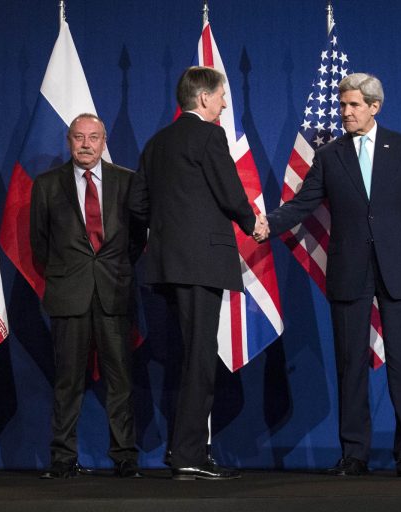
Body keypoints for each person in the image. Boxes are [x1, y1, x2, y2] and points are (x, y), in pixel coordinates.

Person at [257, 73, 401, 478]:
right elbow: (303, 204)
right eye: (342, 105)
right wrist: (270, 223)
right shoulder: (329, 155)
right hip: (349, 269)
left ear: (374, 107)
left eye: (353, 105)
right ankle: (354, 454)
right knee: (350, 363)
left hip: (398, 269)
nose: (345, 112)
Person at [129, 66, 265, 480]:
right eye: (222, 95)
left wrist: (171, 230)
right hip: (202, 265)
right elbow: (228, 189)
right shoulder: (209, 135)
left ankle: (182, 449)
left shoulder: (156, 143)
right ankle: (188, 454)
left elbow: (137, 204)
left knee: (185, 355)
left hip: (168, 265)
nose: (225, 103)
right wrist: (252, 221)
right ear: (203, 98)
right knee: (200, 359)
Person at [30, 113, 146, 479]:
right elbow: (39, 242)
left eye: (93, 137)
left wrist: (112, 269)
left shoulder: (127, 182)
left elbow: (137, 239)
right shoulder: (47, 185)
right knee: (67, 381)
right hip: (69, 294)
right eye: (78, 137)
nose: (85, 144)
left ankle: (125, 458)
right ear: (69, 141)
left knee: (120, 380)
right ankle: (63, 458)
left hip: (114, 292)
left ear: (103, 141)